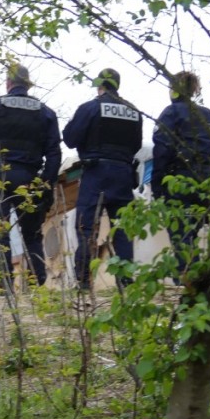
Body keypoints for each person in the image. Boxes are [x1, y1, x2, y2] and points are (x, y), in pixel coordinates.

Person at [0, 64, 61, 290]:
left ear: (8, 84)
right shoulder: (45, 112)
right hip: (29, 180)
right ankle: (36, 284)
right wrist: (44, 182)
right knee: (32, 235)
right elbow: (54, 153)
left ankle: (6, 285)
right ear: (27, 85)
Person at [62, 67, 144, 292]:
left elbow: (69, 138)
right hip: (123, 175)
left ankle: (84, 282)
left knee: (86, 228)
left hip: (96, 173)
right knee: (123, 229)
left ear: (100, 86)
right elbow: (136, 145)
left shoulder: (90, 108)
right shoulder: (134, 112)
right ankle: (126, 283)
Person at [151, 71, 210, 279]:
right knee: (194, 231)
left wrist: (157, 184)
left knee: (180, 233)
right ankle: (196, 274)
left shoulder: (171, 114)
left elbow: (162, 149)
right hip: (207, 181)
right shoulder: (208, 115)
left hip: (178, 180)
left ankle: (188, 278)